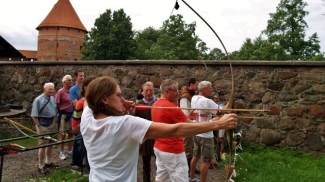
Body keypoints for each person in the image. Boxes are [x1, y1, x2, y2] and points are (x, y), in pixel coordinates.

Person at [80, 76, 238, 182]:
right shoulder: (125, 124)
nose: (123, 99)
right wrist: (218, 124)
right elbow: (174, 130)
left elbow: (89, 99)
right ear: (105, 99)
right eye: (119, 95)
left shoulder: (86, 120)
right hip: (172, 149)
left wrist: (118, 105)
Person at [189, 81, 219, 182]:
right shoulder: (207, 101)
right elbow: (220, 111)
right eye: (210, 88)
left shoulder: (194, 98)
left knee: (195, 156)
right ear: (204, 89)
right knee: (206, 161)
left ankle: (191, 177)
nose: (211, 89)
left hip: (197, 131)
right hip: (206, 133)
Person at [31, 82, 58, 174]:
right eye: (49, 89)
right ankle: (41, 165)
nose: (51, 91)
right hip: (42, 124)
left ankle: (47, 162)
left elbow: (55, 110)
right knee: (42, 145)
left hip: (52, 123)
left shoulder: (53, 98)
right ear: (44, 89)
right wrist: (38, 125)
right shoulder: (38, 100)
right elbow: (34, 115)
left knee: (50, 143)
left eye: (52, 89)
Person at [71, 76, 96, 172]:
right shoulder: (81, 102)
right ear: (86, 87)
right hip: (83, 130)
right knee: (80, 147)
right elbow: (75, 125)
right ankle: (76, 163)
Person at [134, 81, 157, 182]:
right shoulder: (139, 104)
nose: (148, 92)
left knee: (160, 162)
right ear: (143, 92)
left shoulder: (158, 103)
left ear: (153, 91)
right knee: (146, 163)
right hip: (145, 135)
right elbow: (135, 120)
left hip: (157, 134)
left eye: (150, 90)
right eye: (146, 90)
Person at [178, 78, 200, 176]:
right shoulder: (185, 97)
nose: (197, 87)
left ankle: (192, 168)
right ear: (191, 84)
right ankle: (187, 170)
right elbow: (184, 112)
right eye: (196, 85)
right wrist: (189, 122)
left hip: (191, 123)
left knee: (191, 147)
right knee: (187, 148)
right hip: (187, 124)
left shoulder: (192, 95)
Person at [55, 75, 74, 160]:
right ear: (64, 82)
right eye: (69, 80)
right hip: (64, 115)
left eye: (71, 80)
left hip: (72, 115)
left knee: (71, 133)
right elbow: (57, 104)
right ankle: (61, 152)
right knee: (62, 134)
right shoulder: (60, 92)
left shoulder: (72, 91)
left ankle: (70, 150)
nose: (71, 82)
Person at [70, 70, 85, 170]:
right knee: (78, 141)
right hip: (78, 117)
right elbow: (76, 104)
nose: (82, 77)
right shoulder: (73, 89)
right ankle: (75, 162)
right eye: (80, 76)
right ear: (76, 77)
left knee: (84, 141)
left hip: (85, 117)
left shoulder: (84, 88)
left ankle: (81, 161)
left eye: (83, 75)